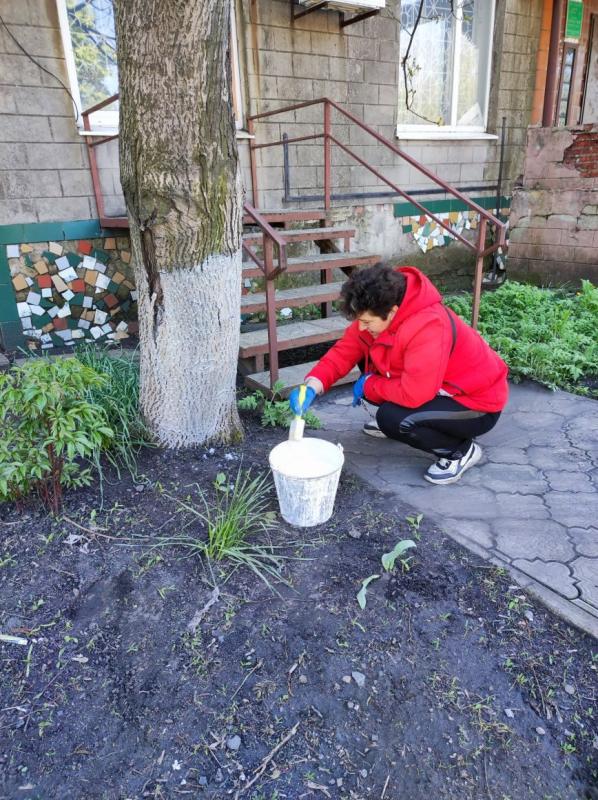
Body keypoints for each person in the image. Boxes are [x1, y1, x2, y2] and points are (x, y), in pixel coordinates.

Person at [288, 264, 508, 485]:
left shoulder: (429, 326)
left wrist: (370, 385)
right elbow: (344, 352)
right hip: (434, 387)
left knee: (393, 419)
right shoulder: (378, 310)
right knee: (369, 368)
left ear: (392, 312)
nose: (362, 328)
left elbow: (414, 394)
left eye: (366, 322)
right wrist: (312, 385)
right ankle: (406, 423)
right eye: (359, 321)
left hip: (476, 403)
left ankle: (460, 451)